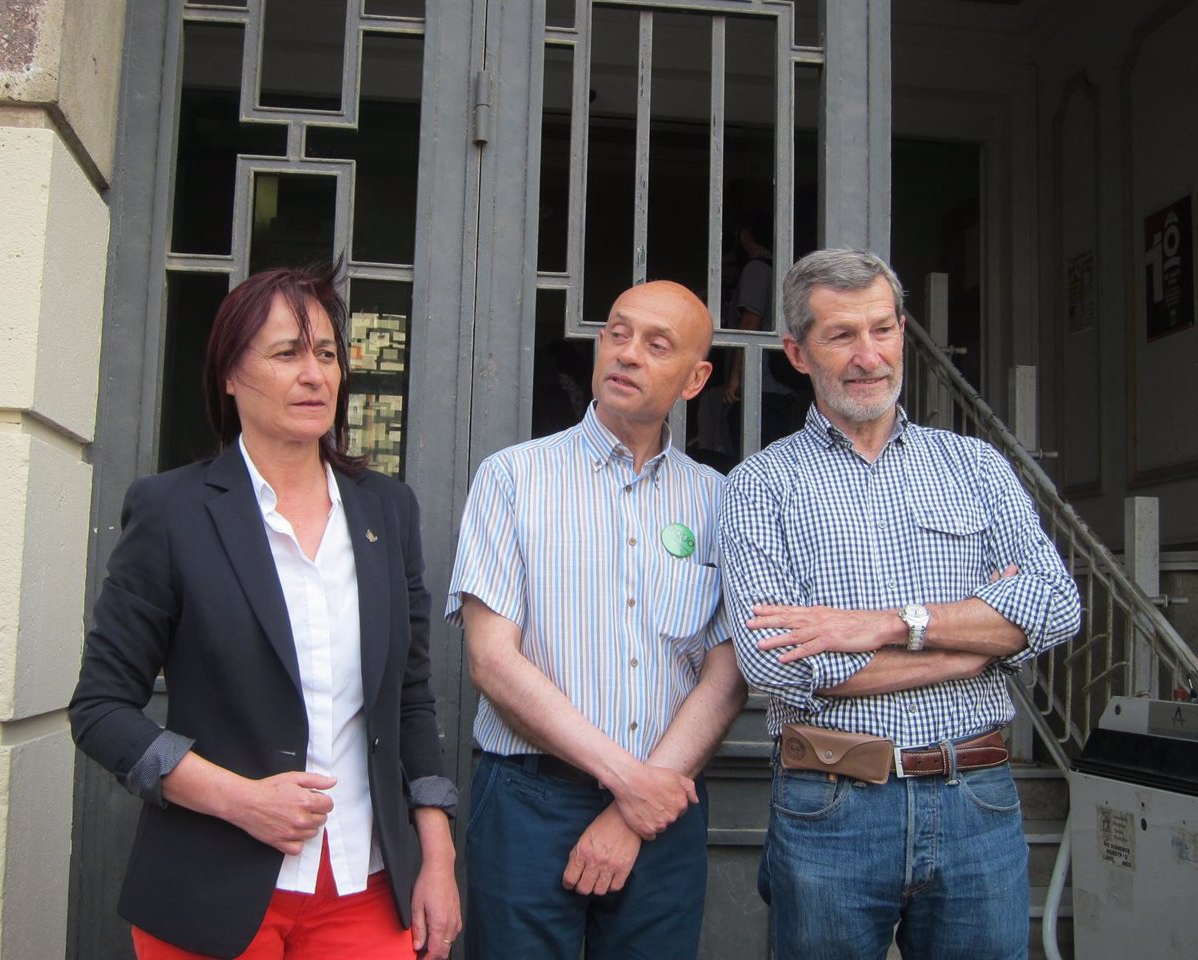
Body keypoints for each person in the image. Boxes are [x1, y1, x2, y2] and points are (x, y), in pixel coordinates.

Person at [69, 262, 461, 960]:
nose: (314, 375)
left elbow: (410, 698)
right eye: (287, 353)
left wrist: (438, 857)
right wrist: (237, 799)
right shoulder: (173, 512)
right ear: (229, 374)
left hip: (367, 886)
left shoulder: (386, 511)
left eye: (328, 354)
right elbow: (101, 709)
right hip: (211, 890)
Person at [719, 249, 1081, 959]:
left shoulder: (975, 466)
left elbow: (1055, 606)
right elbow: (778, 669)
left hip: (977, 797)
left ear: (903, 331)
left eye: (882, 330)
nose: (869, 356)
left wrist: (885, 626)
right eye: (841, 336)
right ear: (796, 351)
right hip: (832, 804)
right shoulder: (760, 486)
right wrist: (979, 647)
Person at [447, 280, 748, 960]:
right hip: (531, 801)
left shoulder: (719, 501)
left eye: (656, 344)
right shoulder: (513, 479)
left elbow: (726, 678)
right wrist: (628, 783)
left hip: (665, 814)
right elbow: (492, 660)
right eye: (617, 332)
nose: (628, 353)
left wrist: (639, 809)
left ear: (697, 378)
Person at [720, 212, 809, 446]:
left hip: (760, 386)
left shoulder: (756, 269)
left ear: (746, 236)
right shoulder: (783, 272)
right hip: (781, 386)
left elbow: (750, 323)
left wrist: (735, 379)